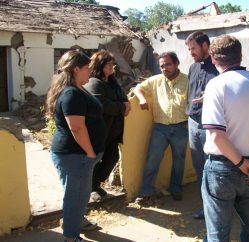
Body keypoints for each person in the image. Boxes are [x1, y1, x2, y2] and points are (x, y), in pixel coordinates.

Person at [201, 35, 249, 242]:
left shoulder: (216, 86)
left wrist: (243, 164)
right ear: (240, 56)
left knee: (218, 233)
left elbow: (217, 136)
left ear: (213, 59)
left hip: (221, 169)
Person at [46, 50, 106, 242]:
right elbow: (77, 128)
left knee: (79, 195)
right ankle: (71, 237)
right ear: (75, 69)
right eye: (87, 69)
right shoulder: (71, 93)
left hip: (78, 155)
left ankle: (76, 222)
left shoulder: (77, 88)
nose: (90, 72)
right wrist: (89, 153)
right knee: (75, 197)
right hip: (75, 155)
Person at [133, 51, 189, 204]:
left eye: (168, 64)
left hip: (181, 128)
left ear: (177, 63)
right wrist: (142, 99)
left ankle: (175, 188)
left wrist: (190, 120)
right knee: (153, 160)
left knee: (179, 160)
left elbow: (194, 102)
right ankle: (146, 191)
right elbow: (137, 88)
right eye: (162, 66)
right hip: (160, 128)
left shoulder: (188, 80)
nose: (165, 68)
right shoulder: (156, 80)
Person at [84, 50, 131, 202]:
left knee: (112, 157)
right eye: (108, 64)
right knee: (96, 159)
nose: (112, 67)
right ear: (99, 65)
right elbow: (102, 105)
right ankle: (91, 188)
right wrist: (122, 107)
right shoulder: (93, 82)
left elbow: (123, 97)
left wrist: (124, 104)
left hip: (112, 130)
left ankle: (96, 184)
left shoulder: (111, 81)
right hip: (98, 130)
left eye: (112, 64)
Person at [185, 31, 219, 219]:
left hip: (211, 126)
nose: (191, 52)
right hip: (193, 123)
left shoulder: (219, 68)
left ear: (205, 45)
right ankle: (207, 207)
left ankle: (218, 209)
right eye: (189, 49)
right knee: (200, 168)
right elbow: (189, 95)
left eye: (194, 48)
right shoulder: (192, 68)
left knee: (214, 168)